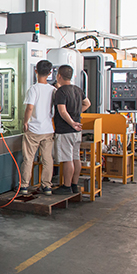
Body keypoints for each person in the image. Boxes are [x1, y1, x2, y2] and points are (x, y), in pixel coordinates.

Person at [19, 60, 56, 196]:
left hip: (33, 130)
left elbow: (30, 107)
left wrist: (25, 122)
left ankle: (24, 186)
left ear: (36, 71)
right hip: (48, 129)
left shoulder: (33, 89)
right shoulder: (53, 90)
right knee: (47, 159)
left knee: (28, 158)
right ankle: (47, 186)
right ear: (50, 73)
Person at [52, 64, 91, 195]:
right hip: (77, 131)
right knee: (75, 157)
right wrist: (76, 114)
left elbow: (62, 111)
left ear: (59, 76)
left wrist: (72, 122)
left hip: (65, 130)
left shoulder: (61, 92)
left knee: (67, 159)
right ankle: (74, 185)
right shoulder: (78, 90)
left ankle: (66, 186)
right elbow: (87, 103)